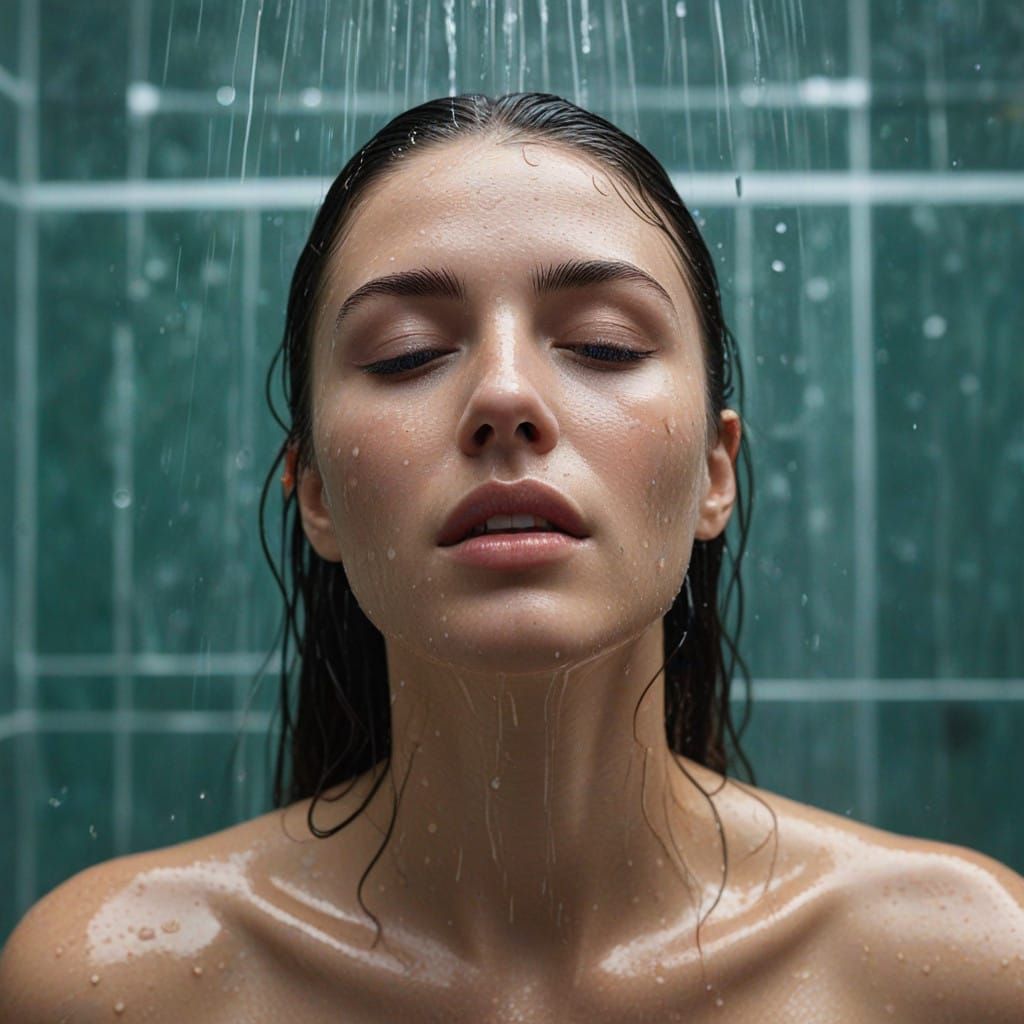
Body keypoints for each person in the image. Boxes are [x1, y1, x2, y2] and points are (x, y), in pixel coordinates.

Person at [2, 92, 1022, 1022]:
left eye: (605, 344)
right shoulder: (115, 979)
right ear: (314, 492)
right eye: (405, 352)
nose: (503, 395)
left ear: (715, 474)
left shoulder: (963, 969)